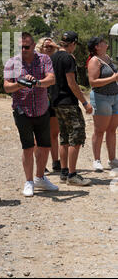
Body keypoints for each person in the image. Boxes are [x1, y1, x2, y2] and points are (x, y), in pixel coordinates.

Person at [4, 32, 59, 197]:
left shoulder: (44, 59)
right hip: (22, 110)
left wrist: (36, 82)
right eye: (20, 47)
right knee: (28, 147)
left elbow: (52, 79)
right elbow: (7, 87)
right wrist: (20, 84)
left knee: (45, 146)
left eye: (26, 47)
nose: (23, 50)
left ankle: (40, 177)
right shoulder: (12, 62)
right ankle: (29, 181)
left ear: (33, 45)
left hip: (42, 109)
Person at [50, 31, 92, 186]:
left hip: (56, 101)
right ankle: (73, 175)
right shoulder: (68, 58)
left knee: (64, 137)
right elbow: (72, 83)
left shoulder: (53, 57)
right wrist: (85, 103)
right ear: (73, 43)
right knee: (76, 136)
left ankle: (64, 171)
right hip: (68, 101)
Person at [87, 36, 118, 172]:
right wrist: (113, 78)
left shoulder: (108, 58)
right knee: (99, 130)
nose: (106, 43)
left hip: (115, 97)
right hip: (101, 98)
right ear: (96, 47)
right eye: (103, 42)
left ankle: (112, 159)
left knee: (112, 130)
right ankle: (97, 160)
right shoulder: (94, 60)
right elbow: (93, 82)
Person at [35, 37, 61, 173]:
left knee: (54, 133)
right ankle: (40, 163)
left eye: (51, 46)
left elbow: (69, 55)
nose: (49, 48)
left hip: (54, 99)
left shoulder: (57, 59)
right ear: (40, 48)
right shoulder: (36, 61)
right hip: (39, 99)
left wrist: (55, 46)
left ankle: (56, 161)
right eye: (47, 46)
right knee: (38, 134)